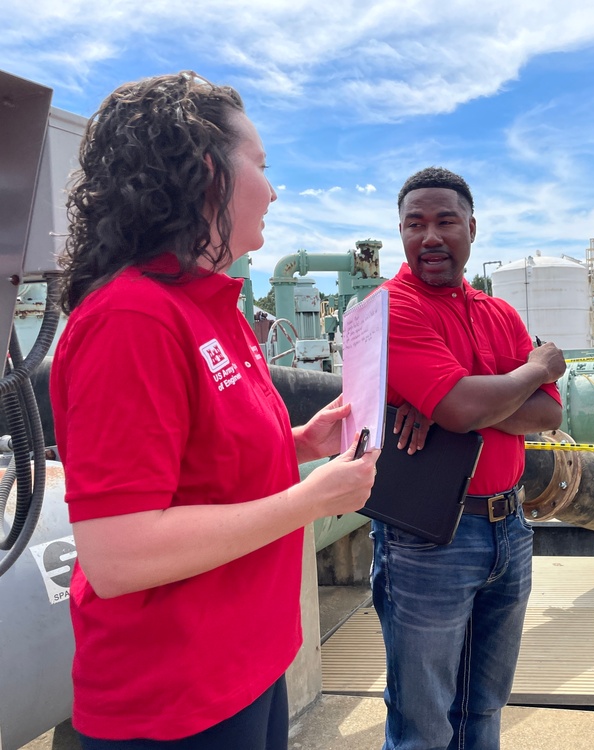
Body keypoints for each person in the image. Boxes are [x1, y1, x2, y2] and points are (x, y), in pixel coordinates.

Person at [49, 72, 379, 749]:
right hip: (173, 704)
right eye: (260, 165)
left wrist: (300, 444)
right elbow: (119, 553)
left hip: (246, 669)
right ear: (208, 172)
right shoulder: (131, 318)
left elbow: (204, 465)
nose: (274, 188)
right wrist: (310, 501)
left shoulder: (209, 310)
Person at [370, 166, 565, 750]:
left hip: (511, 528)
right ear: (401, 234)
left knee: (483, 709)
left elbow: (548, 416)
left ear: (472, 228)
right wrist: (532, 370)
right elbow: (462, 407)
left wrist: (462, 401)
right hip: (427, 540)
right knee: (423, 722)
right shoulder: (390, 307)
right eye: (415, 224)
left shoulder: (499, 313)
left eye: (445, 221)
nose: (430, 236)